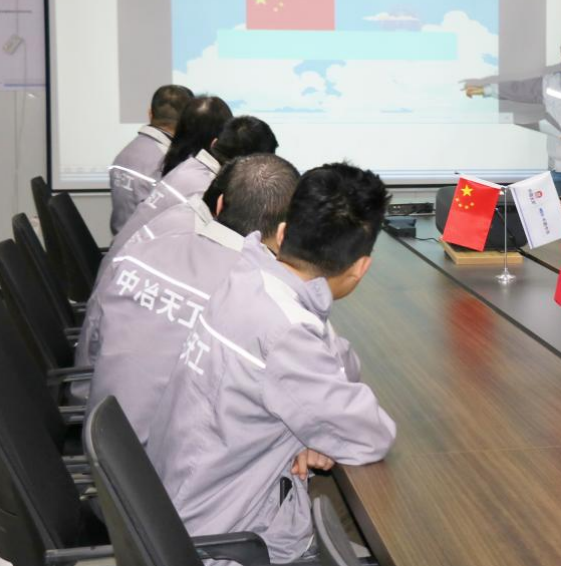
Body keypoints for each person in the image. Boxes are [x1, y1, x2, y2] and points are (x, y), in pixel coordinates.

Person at [146, 163, 396, 563]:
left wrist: (311, 431)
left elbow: (335, 369)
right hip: (227, 537)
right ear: (360, 268)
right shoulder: (288, 333)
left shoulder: (248, 278)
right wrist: (319, 430)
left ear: (281, 234)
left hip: (184, 503)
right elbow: (368, 434)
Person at [83, 154, 299, 443]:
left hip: (103, 436)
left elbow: (93, 338)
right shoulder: (262, 297)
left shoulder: (142, 250)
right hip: (167, 456)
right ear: (285, 232)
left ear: (218, 205)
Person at [108, 113, 278, 263]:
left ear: (214, 143)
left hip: (122, 266)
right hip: (132, 271)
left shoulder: (190, 168)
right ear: (253, 166)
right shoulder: (206, 190)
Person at [464, 28, 561, 197]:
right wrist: (487, 90)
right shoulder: (554, 81)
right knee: (558, 214)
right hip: (556, 168)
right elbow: (520, 89)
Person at [109, 84, 194, 235]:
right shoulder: (170, 163)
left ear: (150, 113)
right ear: (187, 121)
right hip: (150, 244)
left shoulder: (122, 155)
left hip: (121, 241)